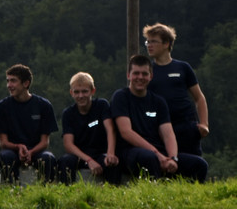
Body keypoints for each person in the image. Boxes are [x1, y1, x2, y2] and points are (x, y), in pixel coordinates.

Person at [111, 54, 208, 182]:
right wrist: (157, 154)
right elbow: (126, 132)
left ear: (151, 76)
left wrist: (173, 158)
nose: (140, 77)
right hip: (130, 152)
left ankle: (187, 193)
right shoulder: (121, 97)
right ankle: (155, 191)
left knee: (199, 164)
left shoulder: (158, 102)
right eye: (136, 73)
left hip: (159, 153)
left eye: (144, 74)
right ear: (128, 75)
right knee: (149, 158)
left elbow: (168, 134)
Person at [143, 22, 209, 155]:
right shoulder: (145, 71)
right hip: (159, 129)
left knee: (193, 164)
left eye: (153, 41)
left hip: (186, 126)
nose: (149, 45)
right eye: (147, 42)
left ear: (166, 44)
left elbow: (199, 97)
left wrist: (204, 124)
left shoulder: (183, 67)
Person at [0, 63, 58, 182]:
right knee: (6, 157)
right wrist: (18, 147)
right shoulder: (1, 108)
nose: (9, 85)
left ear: (26, 83)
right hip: (11, 150)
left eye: (13, 81)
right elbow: (3, 142)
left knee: (48, 159)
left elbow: (44, 142)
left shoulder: (44, 106)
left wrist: (31, 152)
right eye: (8, 81)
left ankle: (46, 189)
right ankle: (12, 188)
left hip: (37, 150)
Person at [56, 71, 120, 185]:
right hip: (80, 156)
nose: (81, 96)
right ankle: (66, 192)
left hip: (100, 153)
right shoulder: (68, 114)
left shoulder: (101, 105)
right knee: (65, 161)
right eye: (77, 92)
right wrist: (89, 160)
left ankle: (114, 192)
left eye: (85, 91)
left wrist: (110, 153)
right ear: (71, 93)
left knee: (112, 162)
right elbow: (68, 144)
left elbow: (110, 129)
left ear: (92, 91)